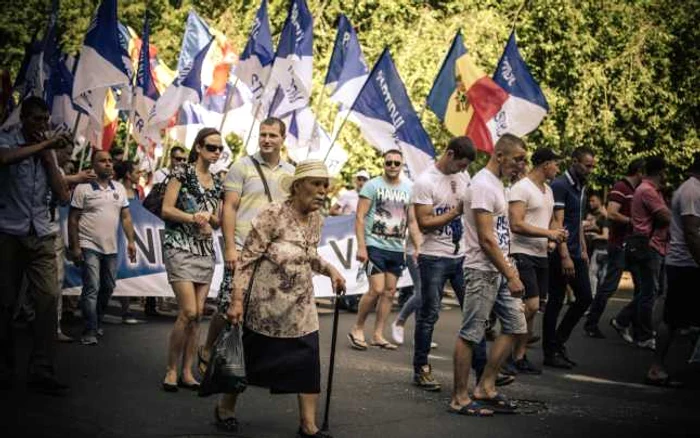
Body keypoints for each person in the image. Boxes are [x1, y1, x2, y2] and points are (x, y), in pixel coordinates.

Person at [218, 160, 346, 438]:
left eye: (325, 185)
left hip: (301, 307)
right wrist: (237, 300)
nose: (322, 191)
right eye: (316, 184)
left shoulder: (316, 219)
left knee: (308, 361)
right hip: (265, 308)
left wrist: (331, 269)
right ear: (298, 186)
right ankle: (225, 407)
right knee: (250, 361)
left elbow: (309, 254)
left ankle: (308, 425)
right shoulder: (272, 214)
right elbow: (247, 260)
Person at [198, 117, 294, 375]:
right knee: (228, 303)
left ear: (282, 139)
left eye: (273, 135)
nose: (266, 139)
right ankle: (208, 348)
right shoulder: (242, 166)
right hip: (242, 247)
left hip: (274, 253)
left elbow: (291, 214)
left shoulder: (292, 173)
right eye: (263, 134)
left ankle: (248, 361)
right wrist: (230, 247)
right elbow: (229, 207)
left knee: (265, 307)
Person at [450, 134, 528, 416]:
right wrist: (511, 274)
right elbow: (486, 239)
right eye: (518, 159)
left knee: (516, 325)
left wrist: (508, 269)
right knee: (471, 334)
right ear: (499, 156)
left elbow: (501, 234)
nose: (522, 165)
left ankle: (485, 387)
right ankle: (459, 397)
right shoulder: (483, 185)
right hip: (482, 270)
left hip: (500, 268)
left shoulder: (499, 185)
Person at [0, 96, 70, 395]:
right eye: (37, 119)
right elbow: (4, 159)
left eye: (46, 120)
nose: (43, 125)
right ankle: (4, 368)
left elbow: (63, 194)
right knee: (4, 302)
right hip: (8, 230)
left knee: (48, 298)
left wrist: (49, 158)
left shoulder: (48, 150)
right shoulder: (7, 137)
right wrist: (43, 146)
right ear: (24, 118)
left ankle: (41, 369)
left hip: (41, 231)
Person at [402, 136, 477, 391]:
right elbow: (424, 222)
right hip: (433, 256)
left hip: (460, 255)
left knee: (474, 310)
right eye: (460, 164)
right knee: (429, 314)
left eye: (466, 167)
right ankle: (421, 368)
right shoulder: (425, 181)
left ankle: (483, 368)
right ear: (450, 154)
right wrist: (454, 212)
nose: (462, 170)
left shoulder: (463, 177)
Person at [160, 127, 224, 391]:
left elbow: (218, 221)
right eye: (211, 147)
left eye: (220, 149)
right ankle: (171, 370)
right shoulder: (181, 173)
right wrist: (193, 217)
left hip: (204, 250)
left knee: (198, 317)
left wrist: (210, 219)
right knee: (188, 311)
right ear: (198, 148)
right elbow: (166, 209)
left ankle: (188, 371)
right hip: (179, 245)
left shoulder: (219, 182)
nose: (216, 152)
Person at [348, 150, 419, 351]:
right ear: (384, 164)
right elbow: (360, 217)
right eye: (389, 163)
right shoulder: (372, 186)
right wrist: (362, 246)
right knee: (376, 289)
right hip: (374, 245)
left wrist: (419, 247)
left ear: (402, 165)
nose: (393, 166)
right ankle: (357, 328)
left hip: (396, 248)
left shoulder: (409, 189)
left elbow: (412, 222)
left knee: (389, 292)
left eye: (397, 163)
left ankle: (378, 334)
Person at [506, 148, 568, 375]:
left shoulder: (548, 190)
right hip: (521, 252)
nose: (558, 169)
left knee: (533, 308)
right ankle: (505, 354)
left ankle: (519, 357)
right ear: (545, 164)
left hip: (541, 254)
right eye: (556, 164)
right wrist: (547, 233)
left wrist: (555, 235)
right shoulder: (521, 188)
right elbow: (516, 224)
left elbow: (551, 220)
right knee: (529, 306)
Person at [68, 151, 137, 345]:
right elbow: (73, 220)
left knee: (108, 287)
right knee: (92, 288)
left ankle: (97, 319)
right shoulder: (83, 188)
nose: (108, 164)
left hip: (111, 249)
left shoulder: (120, 189)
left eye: (110, 161)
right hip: (88, 245)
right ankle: (89, 330)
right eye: (103, 161)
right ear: (93, 165)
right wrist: (75, 247)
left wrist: (131, 242)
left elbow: (126, 217)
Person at [645, 154, 700, 386]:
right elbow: (691, 232)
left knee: (680, 319)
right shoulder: (692, 191)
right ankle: (656, 368)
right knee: (673, 318)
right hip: (685, 264)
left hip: (687, 263)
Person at [543, 147, 596, 368]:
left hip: (576, 252)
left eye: (593, 165)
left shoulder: (581, 186)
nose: (590, 169)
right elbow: (558, 223)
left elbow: (577, 221)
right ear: (574, 162)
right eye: (587, 165)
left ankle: (558, 342)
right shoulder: (560, 185)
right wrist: (564, 255)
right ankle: (550, 351)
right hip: (561, 253)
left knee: (585, 298)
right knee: (555, 302)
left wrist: (583, 248)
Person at [612, 156, 670, 350]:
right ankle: (643, 334)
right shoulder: (647, 191)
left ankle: (623, 320)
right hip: (649, 246)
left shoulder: (650, 190)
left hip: (652, 245)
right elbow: (665, 216)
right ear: (661, 171)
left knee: (650, 291)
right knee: (649, 292)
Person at [584, 158, 645, 338]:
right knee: (609, 286)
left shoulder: (634, 190)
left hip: (632, 245)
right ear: (640, 171)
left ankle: (629, 323)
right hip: (619, 245)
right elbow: (611, 213)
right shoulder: (621, 187)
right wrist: (634, 222)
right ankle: (591, 324)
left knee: (643, 288)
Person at [330, 169, 370, 313]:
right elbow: (332, 210)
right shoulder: (348, 195)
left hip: (362, 236)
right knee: (348, 266)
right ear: (355, 181)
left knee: (360, 266)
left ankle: (354, 297)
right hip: (346, 237)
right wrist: (347, 216)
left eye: (364, 180)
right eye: (359, 179)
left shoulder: (370, 197)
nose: (361, 182)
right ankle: (347, 298)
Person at [113, 160, 144, 324]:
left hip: (131, 236)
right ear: (128, 174)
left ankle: (126, 310)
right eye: (137, 172)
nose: (140, 175)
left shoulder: (138, 192)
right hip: (115, 234)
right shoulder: (117, 190)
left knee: (126, 271)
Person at [583, 192, 609, 299]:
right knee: (599, 275)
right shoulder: (597, 217)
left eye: (593, 200)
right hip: (597, 249)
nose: (590, 203)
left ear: (599, 201)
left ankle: (594, 297)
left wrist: (594, 235)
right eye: (589, 201)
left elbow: (606, 236)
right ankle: (597, 297)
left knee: (593, 275)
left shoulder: (604, 217)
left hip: (602, 250)